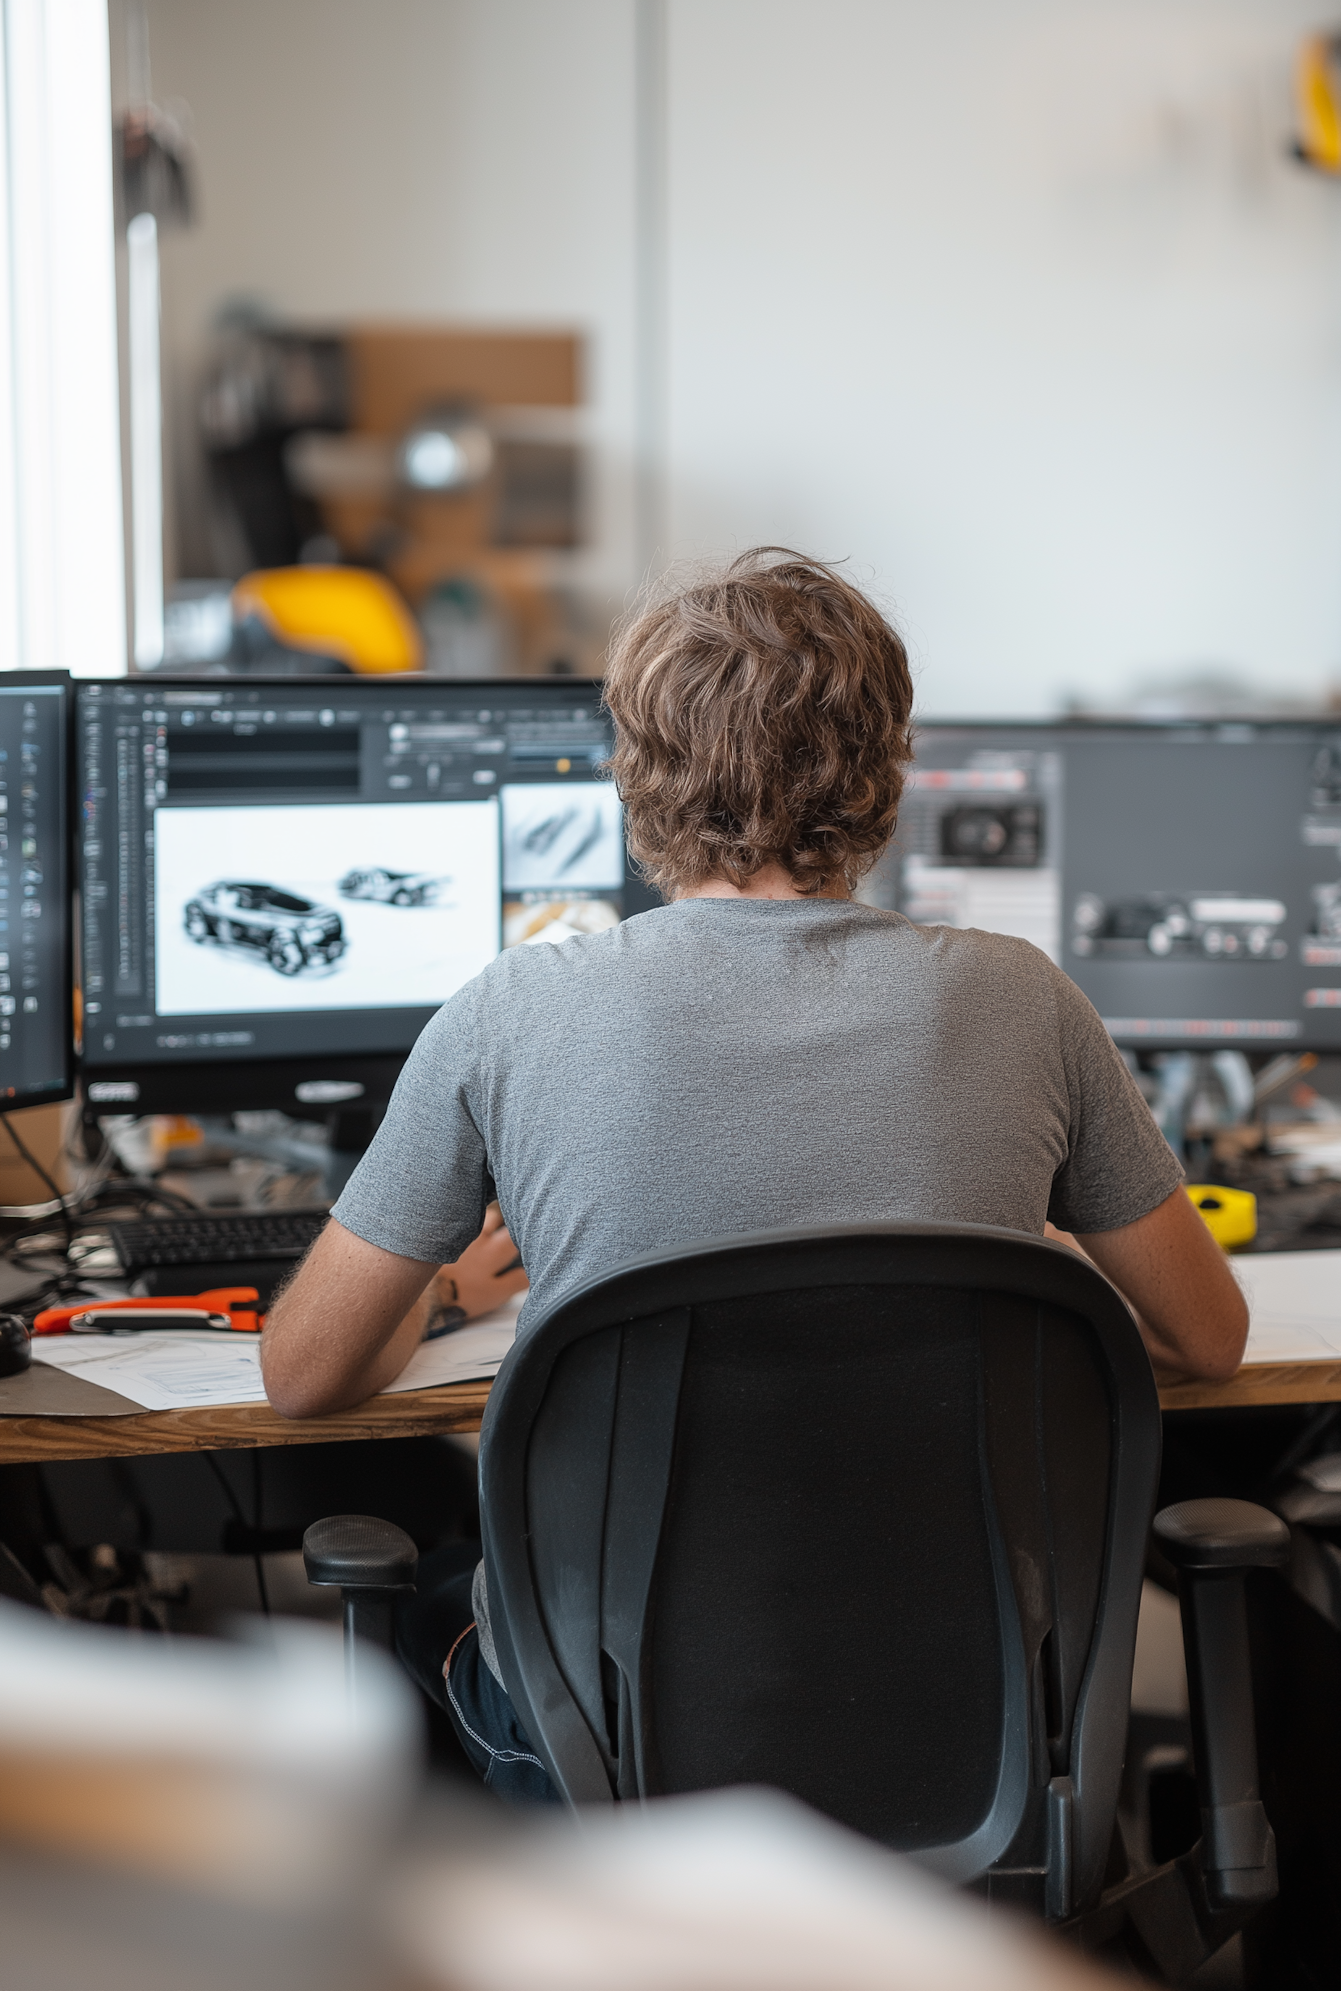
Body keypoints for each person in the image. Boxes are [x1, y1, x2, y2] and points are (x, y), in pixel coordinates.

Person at [262, 548, 1247, 1798]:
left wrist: (452, 1292)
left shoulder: (507, 1015)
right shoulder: (1026, 999)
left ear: (634, 776)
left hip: (614, 1746)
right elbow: (1208, 1337)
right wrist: (1022, 1294)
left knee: (439, 1603)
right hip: (967, 1722)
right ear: (886, 774)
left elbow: (302, 1379)